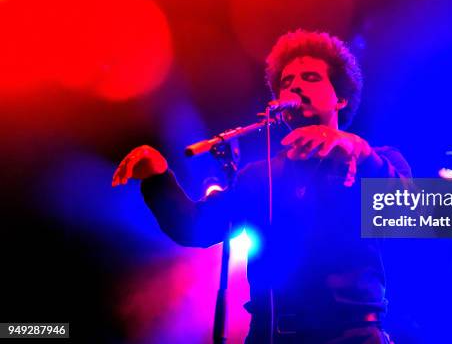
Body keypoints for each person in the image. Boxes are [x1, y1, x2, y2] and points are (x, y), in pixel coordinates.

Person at [112, 30, 411, 343]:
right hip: (271, 335)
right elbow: (194, 228)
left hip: (352, 336)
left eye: (310, 77)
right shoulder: (258, 178)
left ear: (340, 97)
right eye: (286, 82)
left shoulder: (378, 161)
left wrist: (360, 154)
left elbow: (415, 215)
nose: (295, 85)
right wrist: (156, 176)